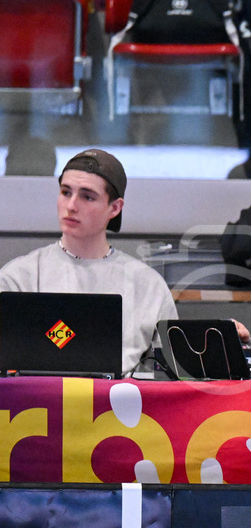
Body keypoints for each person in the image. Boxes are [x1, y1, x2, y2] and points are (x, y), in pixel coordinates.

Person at [0, 148, 177, 375]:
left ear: (114, 208)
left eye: (87, 196)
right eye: (65, 192)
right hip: (36, 407)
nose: (72, 205)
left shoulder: (148, 286)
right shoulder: (19, 277)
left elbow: (172, 373)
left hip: (118, 407)